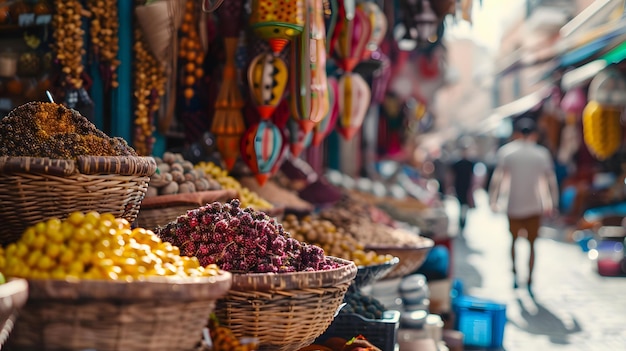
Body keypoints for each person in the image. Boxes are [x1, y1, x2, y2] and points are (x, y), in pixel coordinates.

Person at [488, 117, 559, 293]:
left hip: (513, 204)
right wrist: (552, 203)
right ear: (534, 134)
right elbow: (549, 181)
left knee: (513, 241)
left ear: (516, 133)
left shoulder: (507, 152)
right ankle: (529, 278)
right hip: (535, 205)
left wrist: (493, 200)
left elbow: (498, 178)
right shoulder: (541, 154)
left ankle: (514, 274)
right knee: (532, 245)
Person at [450, 139, 475, 233]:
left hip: (467, 187)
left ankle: (463, 223)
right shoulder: (456, 163)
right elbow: (452, 176)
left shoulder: (470, 163)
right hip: (459, 187)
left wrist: (472, 188)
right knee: (461, 205)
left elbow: (473, 177)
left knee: (465, 206)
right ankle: (461, 222)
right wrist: (450, 187)